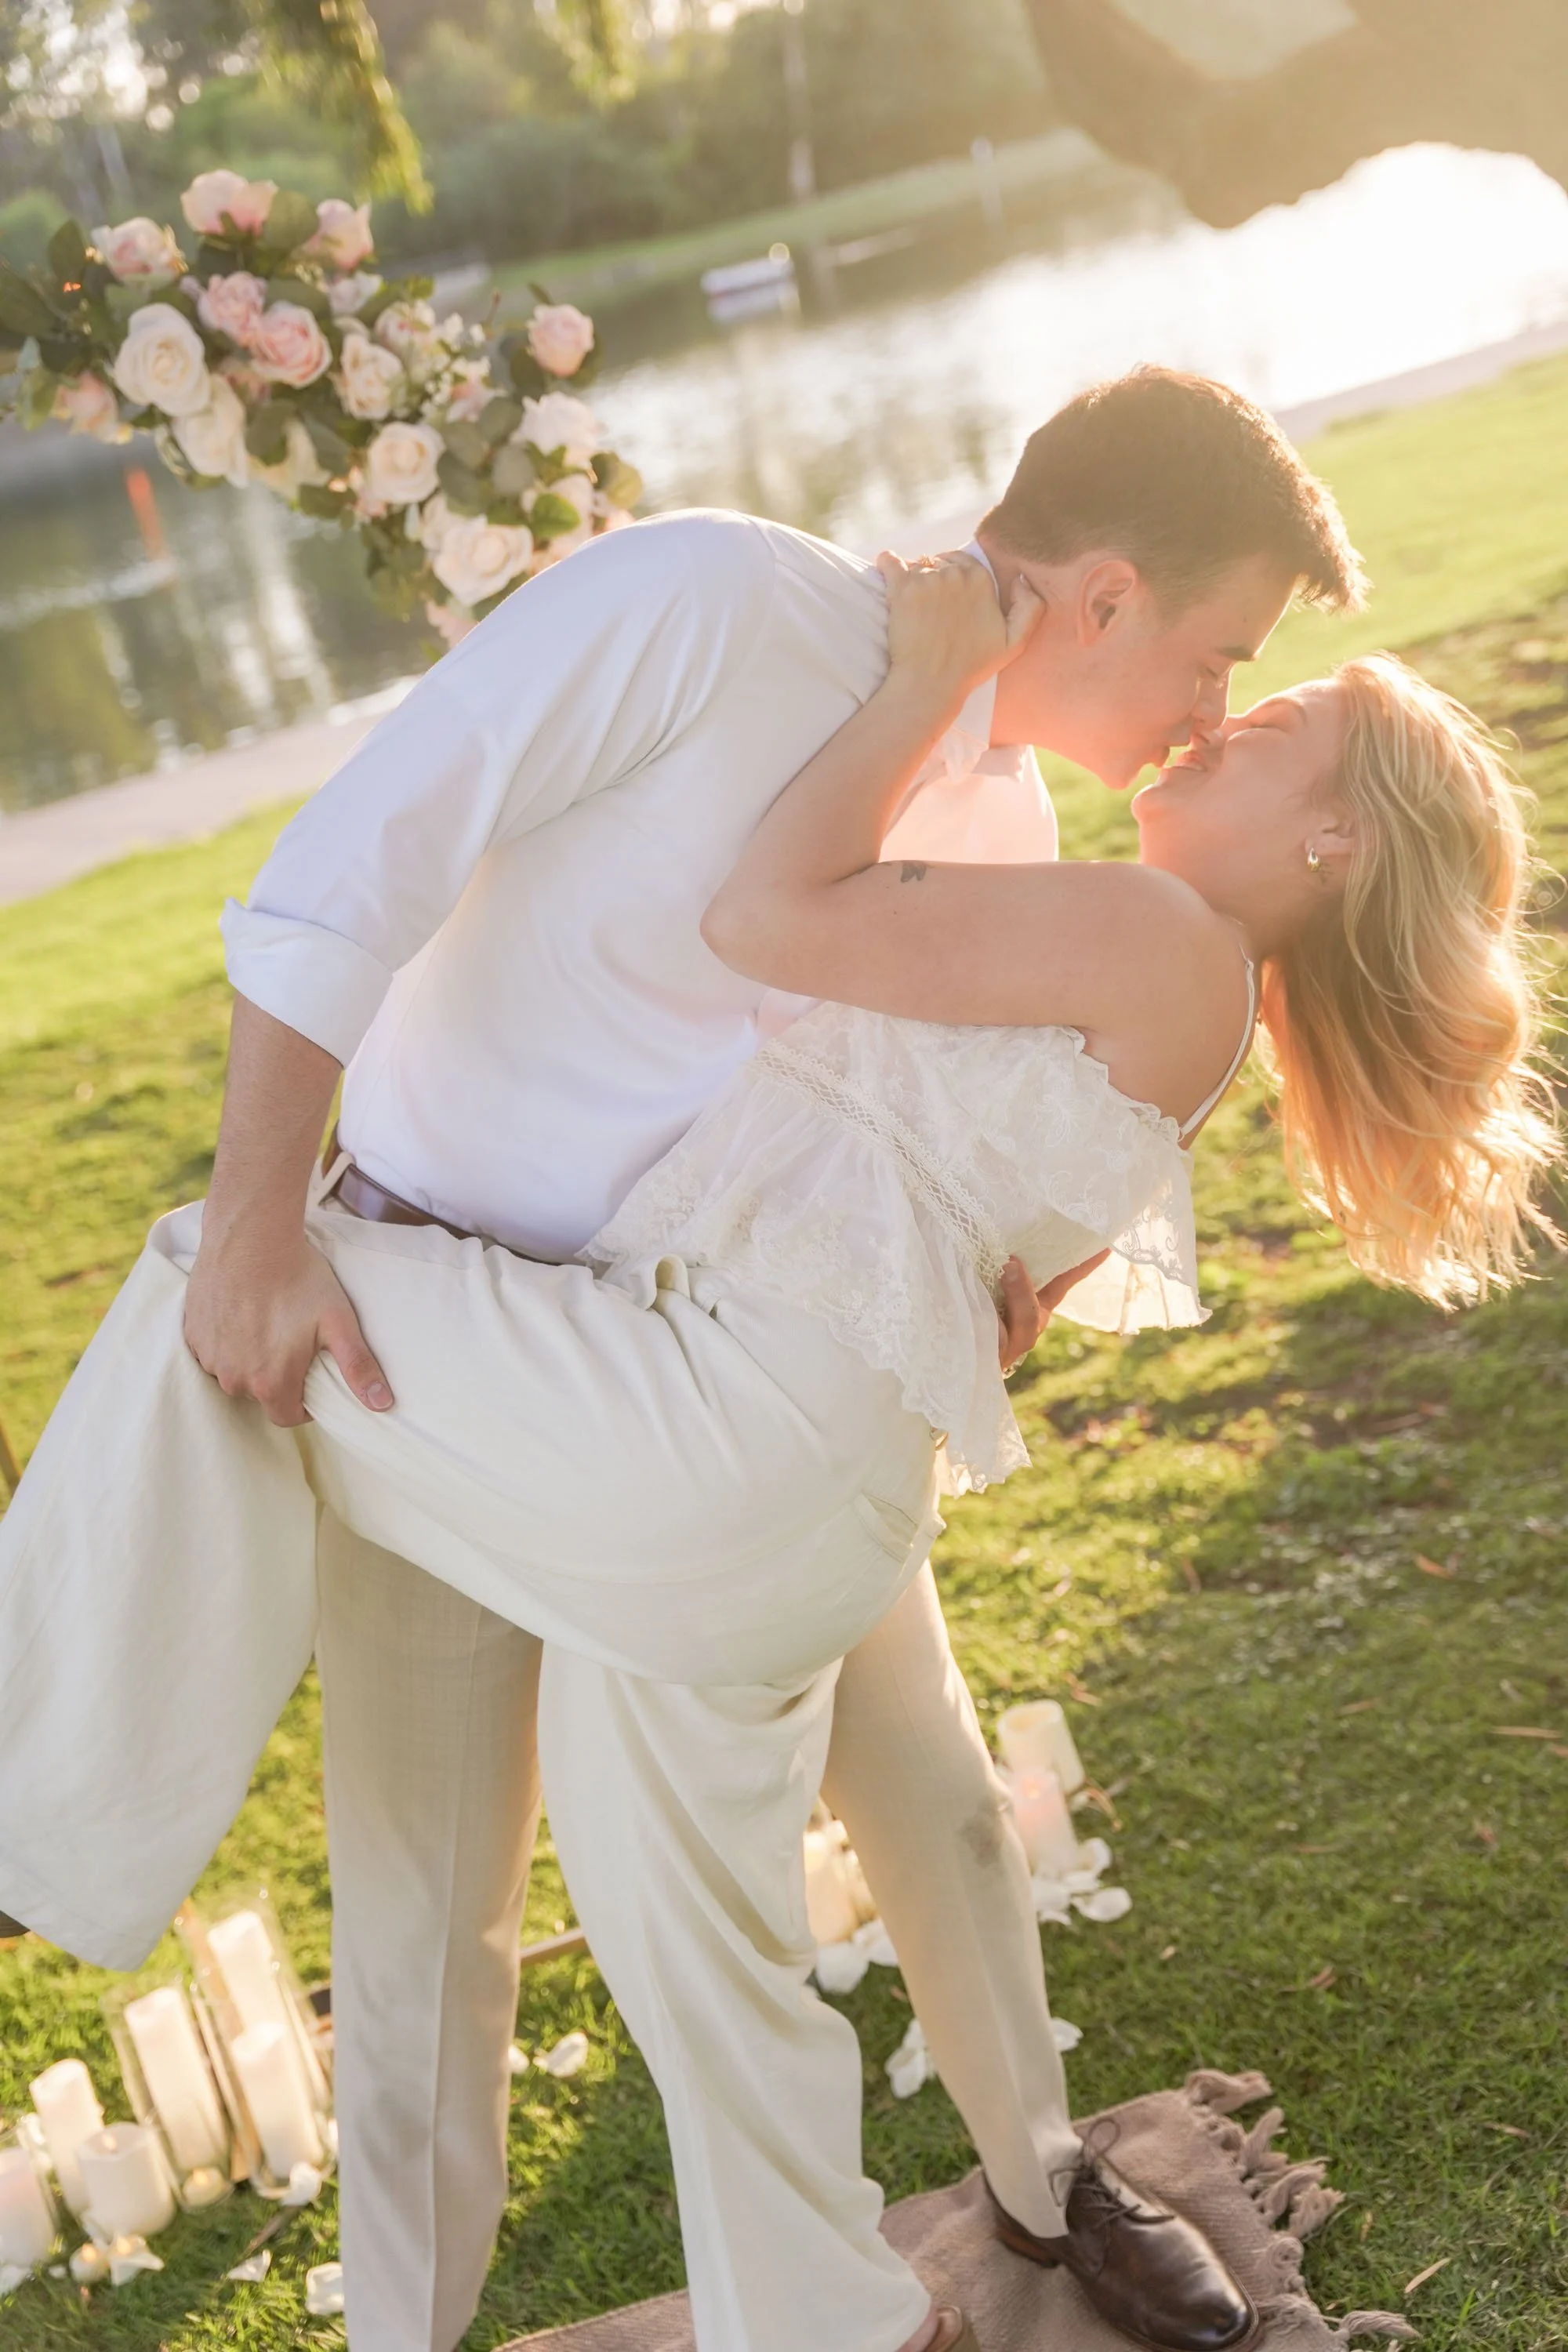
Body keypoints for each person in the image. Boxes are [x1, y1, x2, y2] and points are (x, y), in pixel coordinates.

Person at [0, 372, 1393, 2352]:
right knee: (425, 1928)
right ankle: (408, 2333)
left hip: (713, 1375)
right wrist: (252, 1227)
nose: (1203, 703)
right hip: (438, 1327)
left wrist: (1001, 1273)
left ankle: (1039, 2180)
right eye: (1210, 655)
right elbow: (355, 856)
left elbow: (930, 1111)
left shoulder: (1011, 819)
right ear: (1094, 594)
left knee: (922, 1797)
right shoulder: (711, 604)